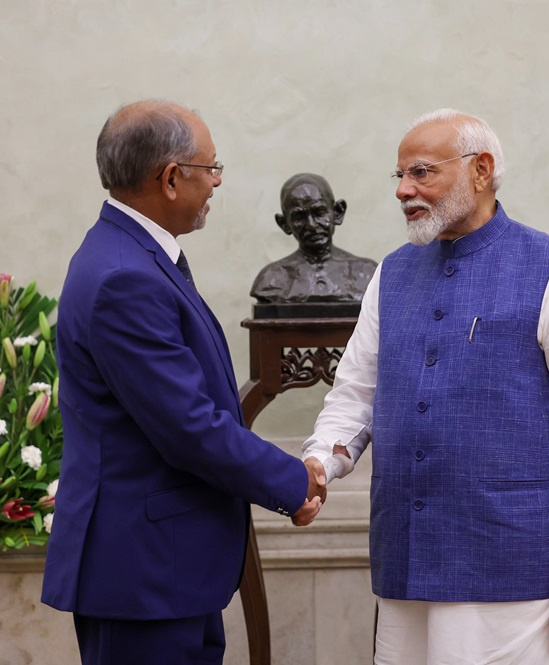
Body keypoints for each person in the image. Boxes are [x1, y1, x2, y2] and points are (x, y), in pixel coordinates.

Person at [302, 108, 549, 665]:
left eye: (422, 172)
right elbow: (355, 396)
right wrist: (319, 462)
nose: (404, 190)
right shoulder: (393, 273)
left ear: (481, 170)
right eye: (399, 176)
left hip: (515, 573)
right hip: (406, 564)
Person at [41, 99, 325, 665]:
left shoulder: (134, 256)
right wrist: (293, 481)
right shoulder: (125, 275)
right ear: (170, 178)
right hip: (142, 575)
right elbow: (189, 426)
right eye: (211, 168)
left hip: (166, 569)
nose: (217, 182)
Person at [250, 173, 377, 303]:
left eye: (319, 212)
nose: (311, 225)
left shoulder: (367, 274)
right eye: (299, 217)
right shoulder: (272, 280)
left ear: (338, 212)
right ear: (284, 224)